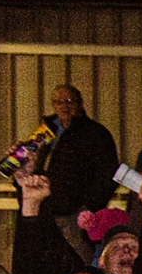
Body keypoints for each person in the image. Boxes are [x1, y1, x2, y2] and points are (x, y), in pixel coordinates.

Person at [35, 85, 119, 255]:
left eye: (69, 101)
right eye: (58, 102)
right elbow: (35, 162)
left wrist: (89, 207)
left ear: (80, 103)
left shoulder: (96, 133)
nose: (64, 106)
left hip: (76, 213)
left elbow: (108, 174)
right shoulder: (45, 131)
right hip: (46, 210)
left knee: (79, 258)